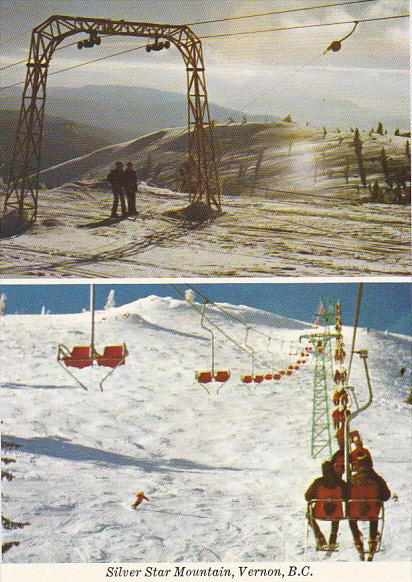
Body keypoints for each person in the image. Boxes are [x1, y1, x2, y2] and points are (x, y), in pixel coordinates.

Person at [348, 455, 390, 561]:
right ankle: (372, 539)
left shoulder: (353, 479)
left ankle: (357, 538)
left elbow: (345, 495)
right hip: (372, 512)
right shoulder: (377, 479)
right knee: (373, 515)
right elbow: (386, 495)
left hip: (355, 512)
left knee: (351, 517)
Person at [305, 461, 348, 550]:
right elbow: (347, 496)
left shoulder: (318, 482)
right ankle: (333, 537)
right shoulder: (340, 482)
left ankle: (319, 536)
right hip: (337, 514)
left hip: (319, 513)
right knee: (336, 508)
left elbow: (307, 496)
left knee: (309, 515)